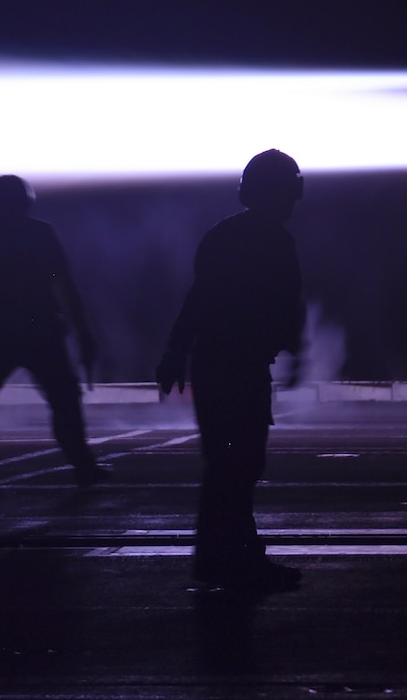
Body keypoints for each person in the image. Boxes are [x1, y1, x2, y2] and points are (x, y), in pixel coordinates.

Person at [156, 149, 307, 592]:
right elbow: (282, 304)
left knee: (231, 464)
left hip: (223, 365)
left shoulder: (225, 236)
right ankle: (233, 560)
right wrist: (294, 349)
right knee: (236, 465)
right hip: (236, 368)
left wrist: (175, 351)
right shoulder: (274, 241)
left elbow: (198, 300)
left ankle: (224, 558)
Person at [0, 175, 108, 500]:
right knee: (64, 402)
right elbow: (65, 286)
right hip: (40, 331)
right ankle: (83, 466)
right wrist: (84, 332)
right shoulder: (40, 235)